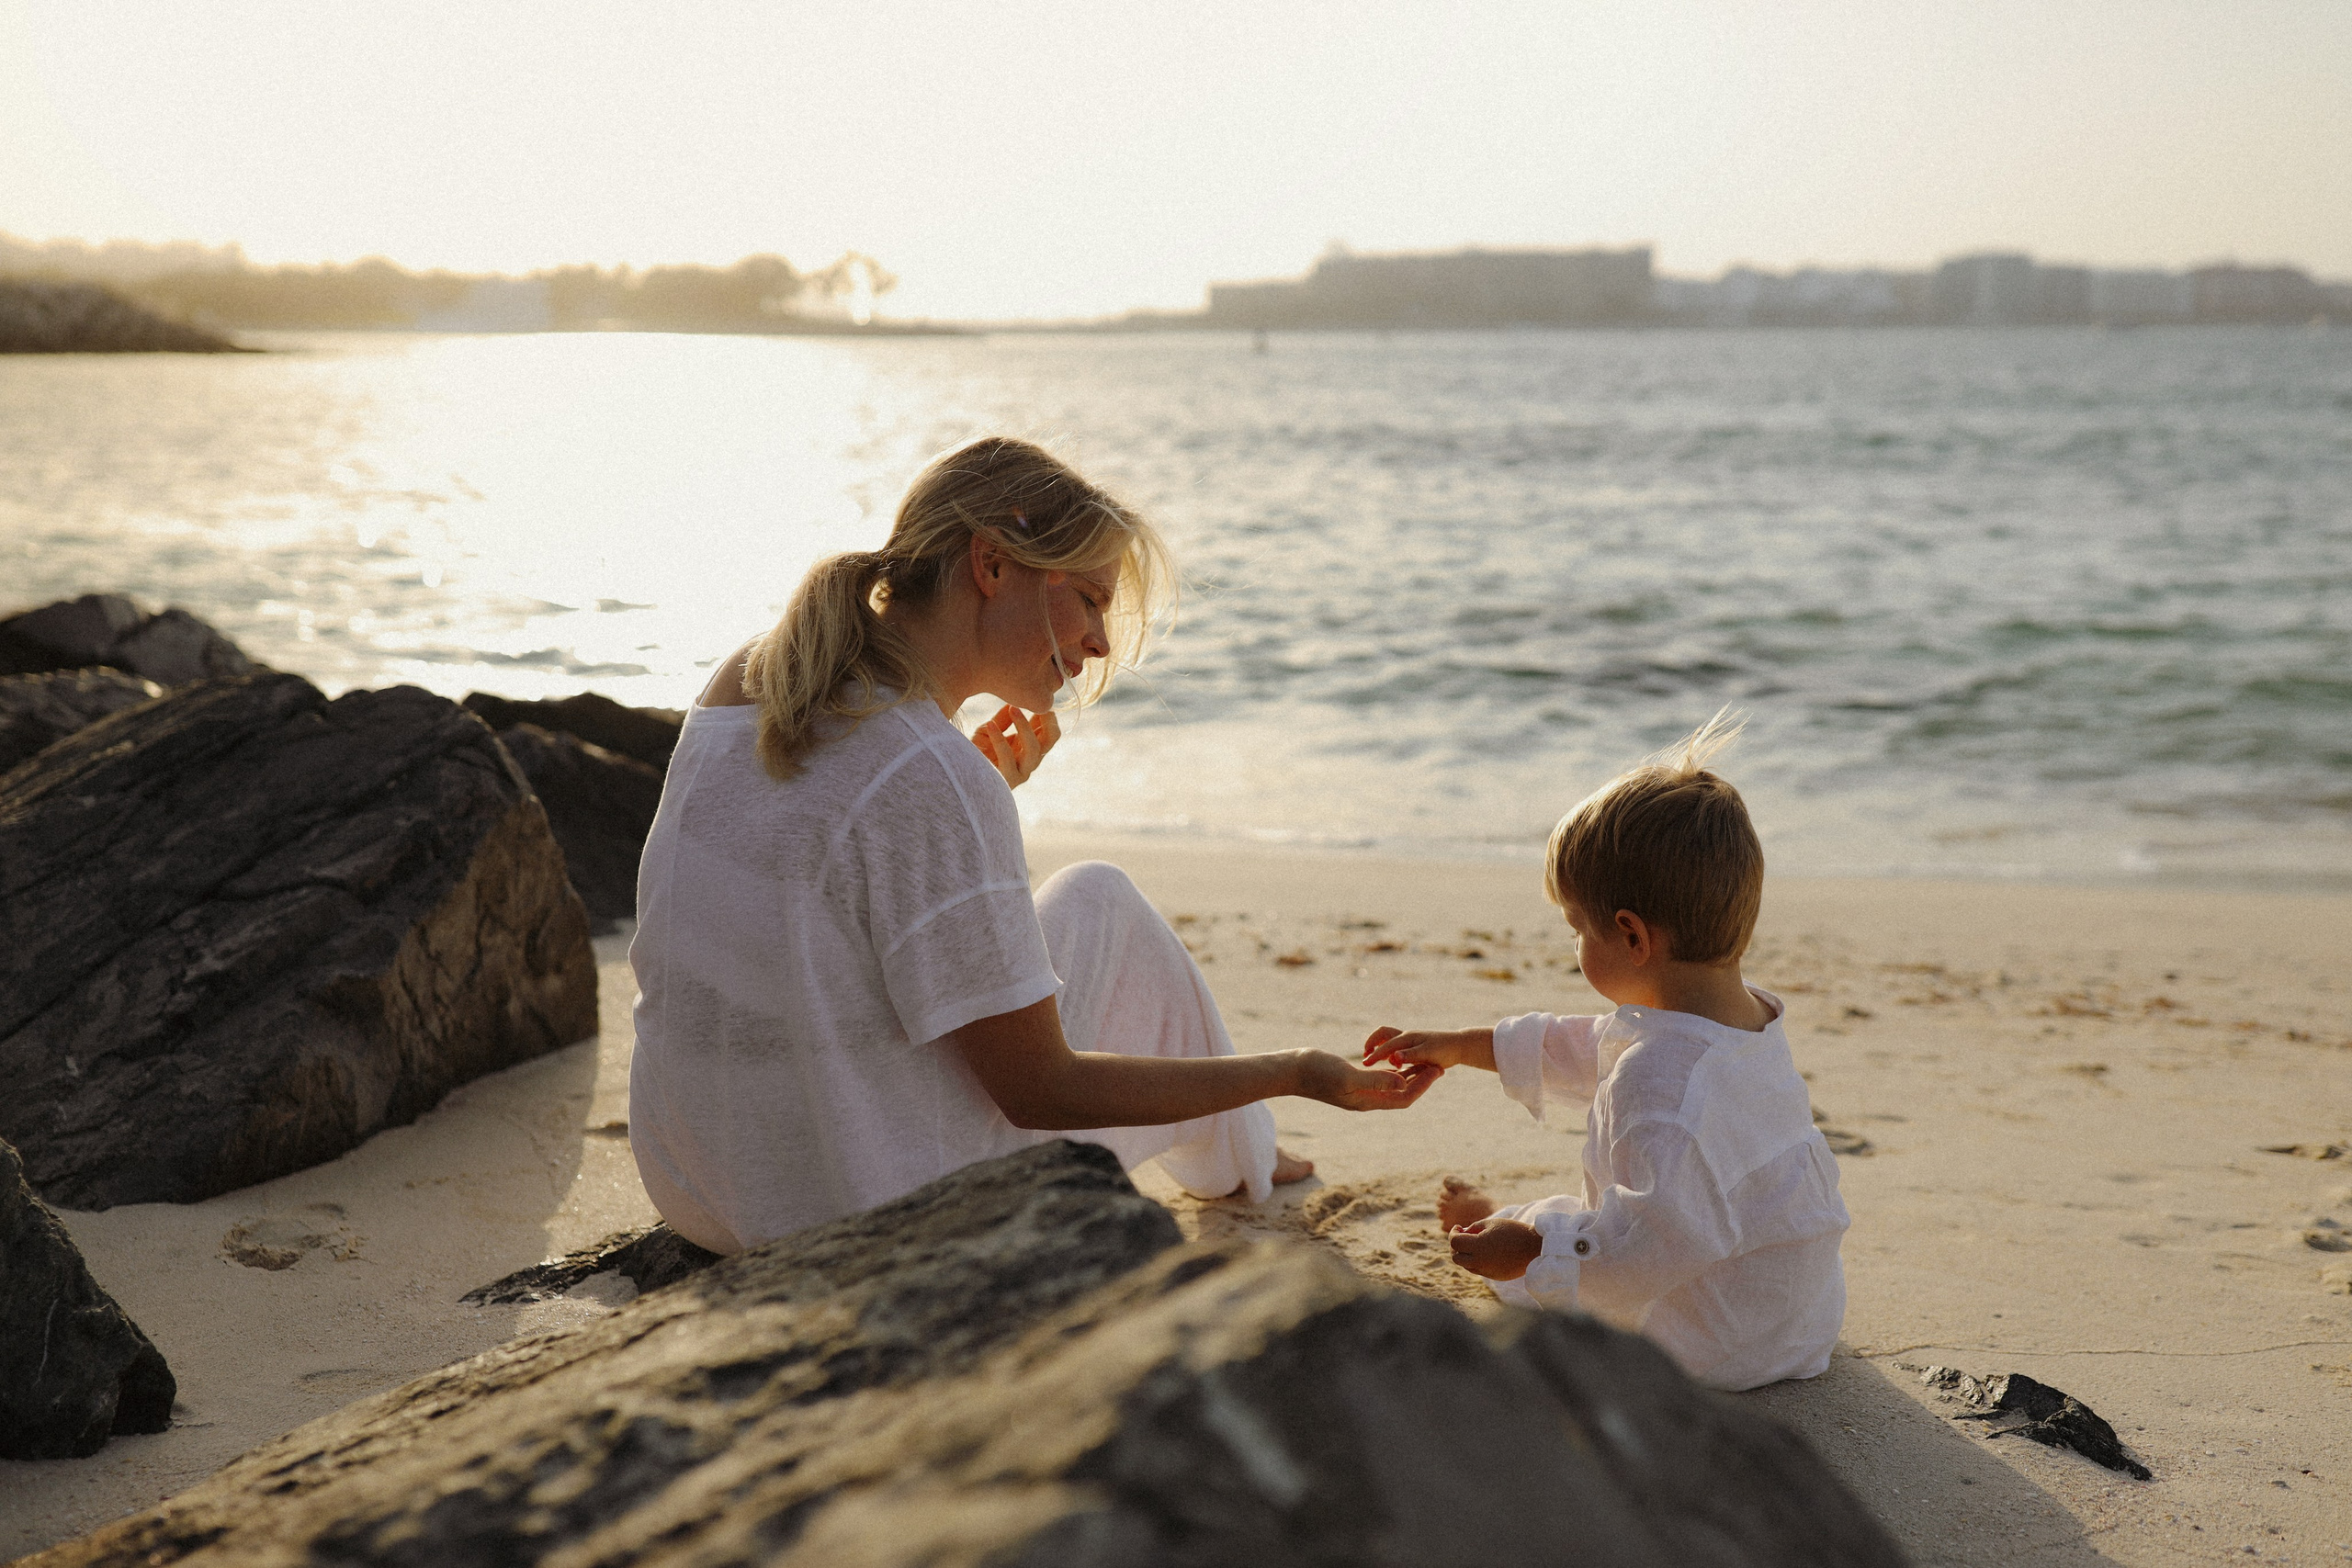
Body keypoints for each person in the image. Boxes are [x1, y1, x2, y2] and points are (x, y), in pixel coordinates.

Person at [628, 436, 1432, 1255]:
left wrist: (975, 793)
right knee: (1104, 903)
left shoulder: (746, 676)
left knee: (1084, 902)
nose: (1100, 644)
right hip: (856, 1208)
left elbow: (809, 868)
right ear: (993, 564)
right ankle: (1245, 1155)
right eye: (1088, 599)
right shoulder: (928, 776)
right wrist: (1297, 1070)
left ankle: (1243, 1146)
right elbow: (1042, 1089)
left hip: (694, 1179)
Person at [1362, 716, 1849, 1390]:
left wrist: (1533, 1253)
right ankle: (1521, 1232)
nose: (1574, 945)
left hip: (1707, 1343)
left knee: (1554, 1230)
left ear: (1630, 935)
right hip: (1799, 1318)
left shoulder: (1659, 1082)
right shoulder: (1746, 1020)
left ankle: (1493, 1224)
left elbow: (1651, 1250)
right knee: (1582, 1225)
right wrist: (1464, 1046)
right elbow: (1594, 1046)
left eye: (1576, 927)